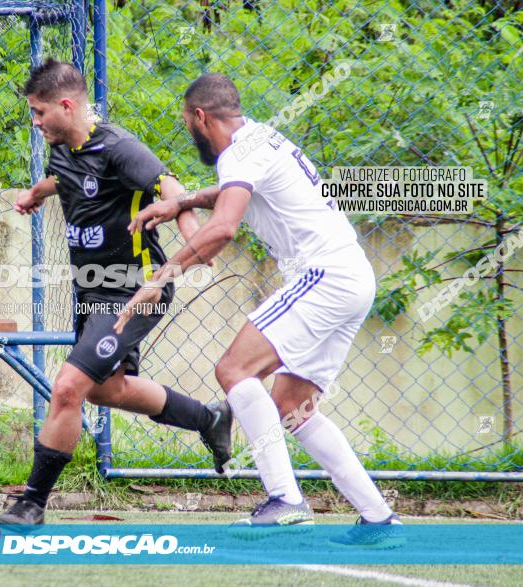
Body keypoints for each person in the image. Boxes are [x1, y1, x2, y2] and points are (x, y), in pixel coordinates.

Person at [116, 73, 402, 546]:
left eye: (189, 122)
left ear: (200, 117)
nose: (191, 133)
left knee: (233, 369)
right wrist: (181, 203)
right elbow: (226, 198)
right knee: (294, 409)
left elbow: (223, 228)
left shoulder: (238, 153)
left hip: (324, 276)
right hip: (352, 275)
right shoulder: (261, 139)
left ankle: (285, 500)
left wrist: (161, 279)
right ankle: (378, 519)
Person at [0, 59, 232, 526]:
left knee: (67, 388)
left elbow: (172, 188)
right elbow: (65, 179)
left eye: (40, 113)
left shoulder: (120, 147)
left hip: (135, 290)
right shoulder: (61, 146)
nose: (36, 123)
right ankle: (210, 420)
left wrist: (196, 238)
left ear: (67, 105)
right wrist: (36, 194)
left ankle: (32, 502)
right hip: (91, 291)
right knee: (106, 389)